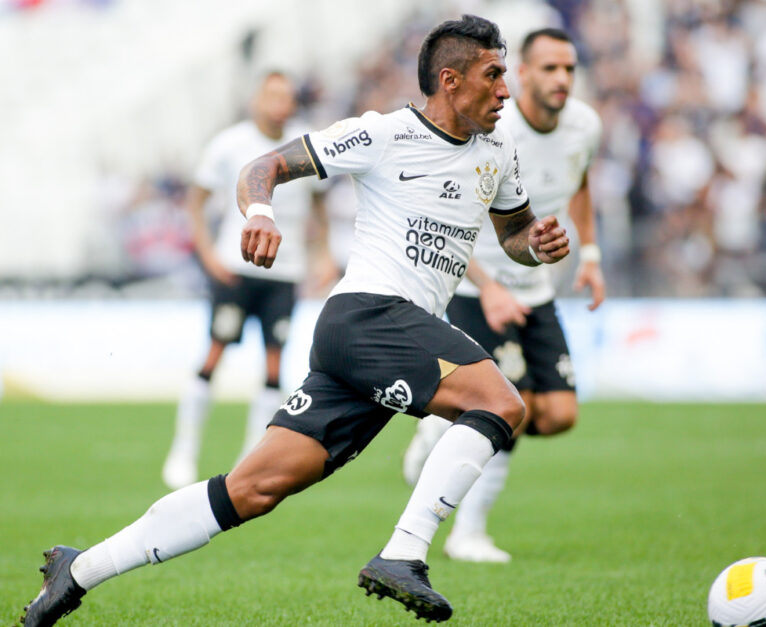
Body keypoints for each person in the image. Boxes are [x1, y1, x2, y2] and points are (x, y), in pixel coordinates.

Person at [21, 15, 570, 626]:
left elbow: (513, 232)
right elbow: (262, 168)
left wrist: (536, 243)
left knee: (250, 490)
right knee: (503, 403)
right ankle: (404, 553)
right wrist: (261, 213)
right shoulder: (382, 135)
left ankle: (79, 569)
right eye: (493, 75)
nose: (505, 91)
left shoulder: (498, 150)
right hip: (369, 314)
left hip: (381, 341)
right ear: (450, 80)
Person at [401, 27, 605, 563]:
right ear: (525, 73)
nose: (562, 79)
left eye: (570, 69)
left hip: (534, 287)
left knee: (557, 413)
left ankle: (444, 430)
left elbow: (580, 181)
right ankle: (468, 532)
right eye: (549, 69)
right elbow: (447, 217)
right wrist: (488, 289)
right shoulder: (492, 126)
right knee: (506, 408)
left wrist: (591, 257)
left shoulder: (586, 125)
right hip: (476, 287)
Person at [162, 70, 330, 490]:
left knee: (274, 366)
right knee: (214, 355)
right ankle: (183, 450)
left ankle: (248, 460)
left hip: (284, 273)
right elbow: (196, 203)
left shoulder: (303, 145)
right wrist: (206, 255)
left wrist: (321, 256)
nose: (280, 103)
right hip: (234, 269)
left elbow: (319, 207)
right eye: (272, 94)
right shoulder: (229, 144)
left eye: (286, 96)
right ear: (257, 99)